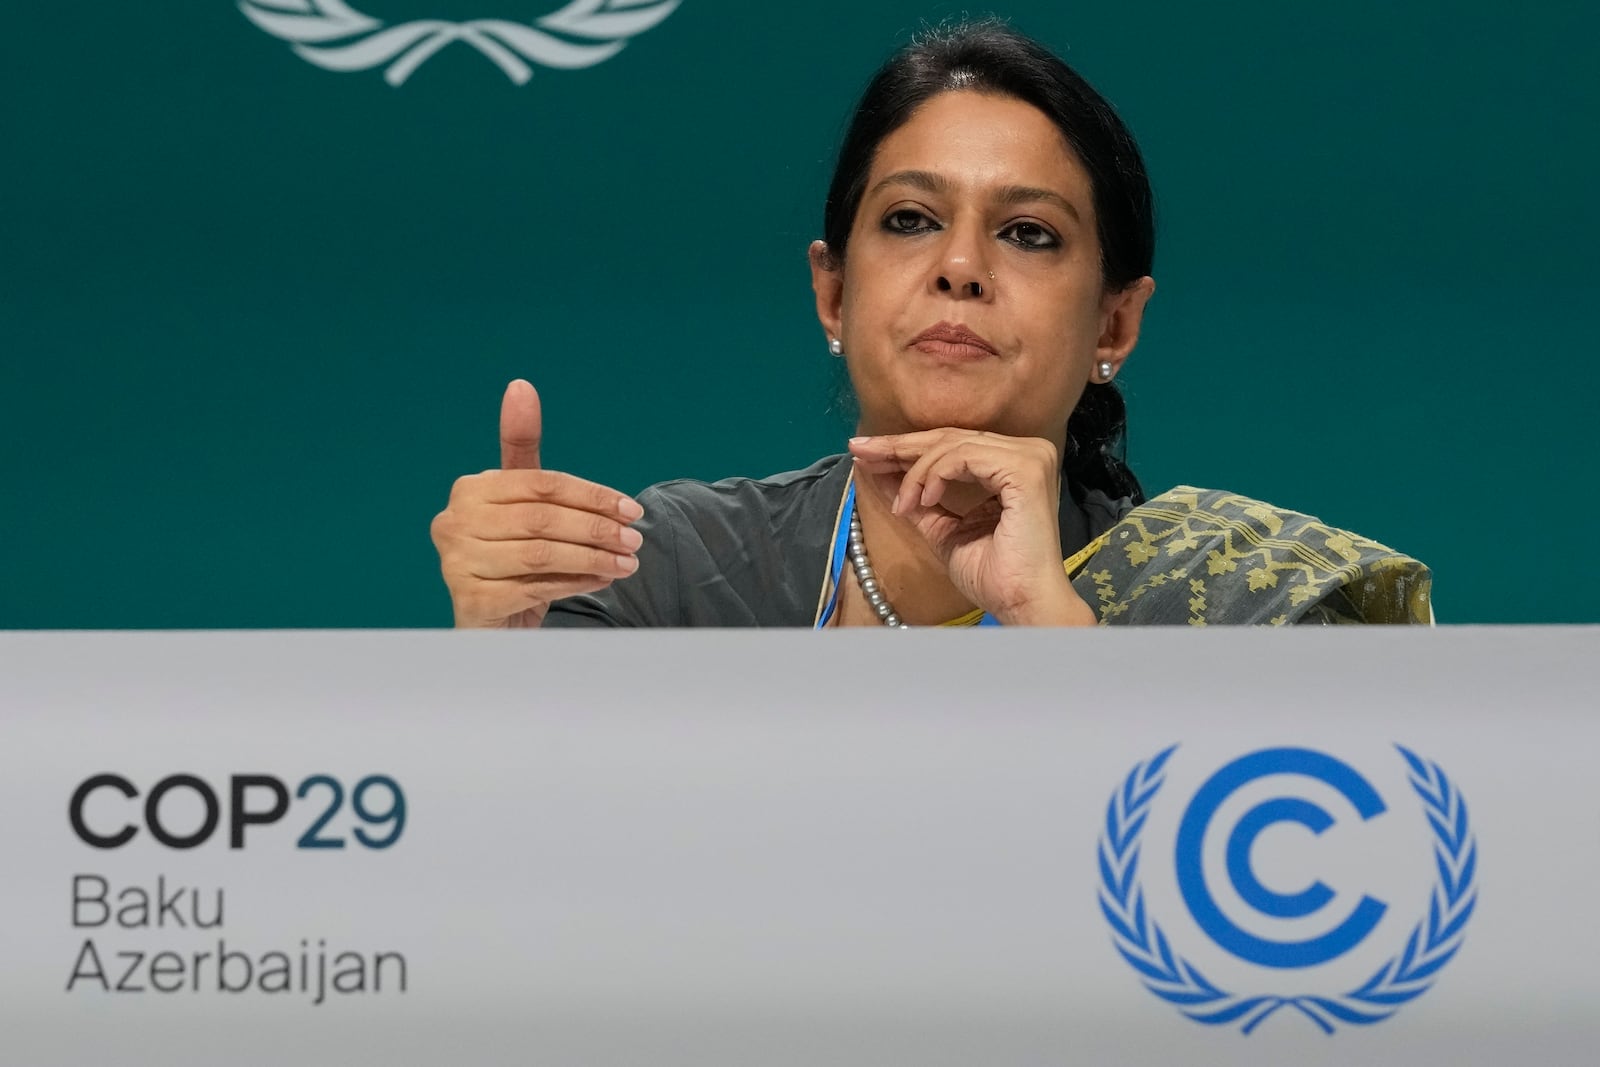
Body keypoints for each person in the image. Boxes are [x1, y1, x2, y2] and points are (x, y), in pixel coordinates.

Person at [430, 21, 1431, 629]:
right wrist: (502, 662)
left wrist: (1045, 622)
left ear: (1113, 324)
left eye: (1029, 232)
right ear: (832, 293)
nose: (959, 266)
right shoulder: (677, 575)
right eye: (909, 220)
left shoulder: (1238, 610)